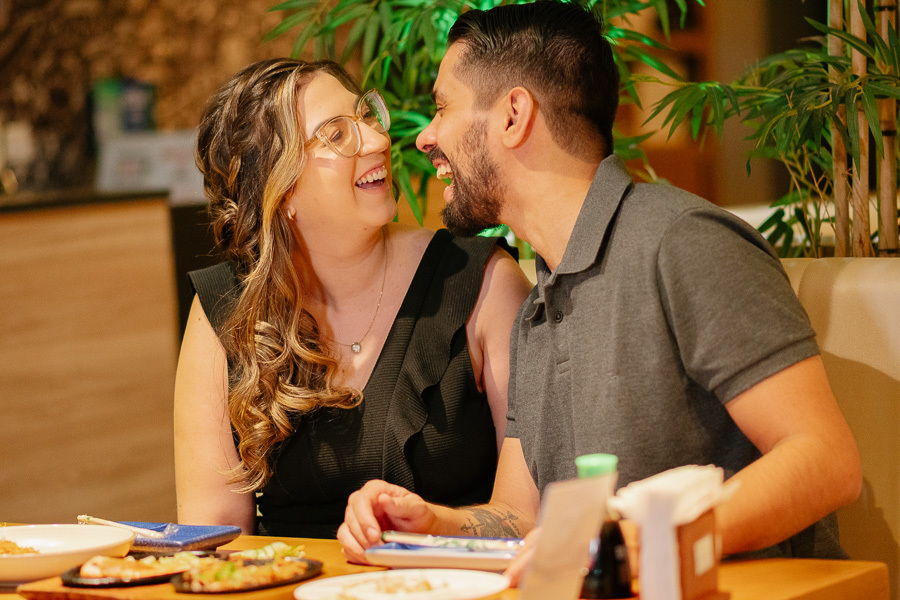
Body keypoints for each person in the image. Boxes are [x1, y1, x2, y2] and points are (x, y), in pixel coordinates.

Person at [338, 0, 862, 572]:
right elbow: (522, 516)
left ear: (514, 115)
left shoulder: (682, 243)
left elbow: (826, 461)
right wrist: (430, 525)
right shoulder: (536, 303)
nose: (425, 137)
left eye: (442, 108)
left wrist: (642, 542)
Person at [173, 58, 533, 538]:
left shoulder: (481, 282)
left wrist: (435, 524)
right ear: (282, 192)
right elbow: (213, 541)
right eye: (337, 135)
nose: (379, 140)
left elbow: (532, 517)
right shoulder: (227, 310)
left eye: (366, 116)